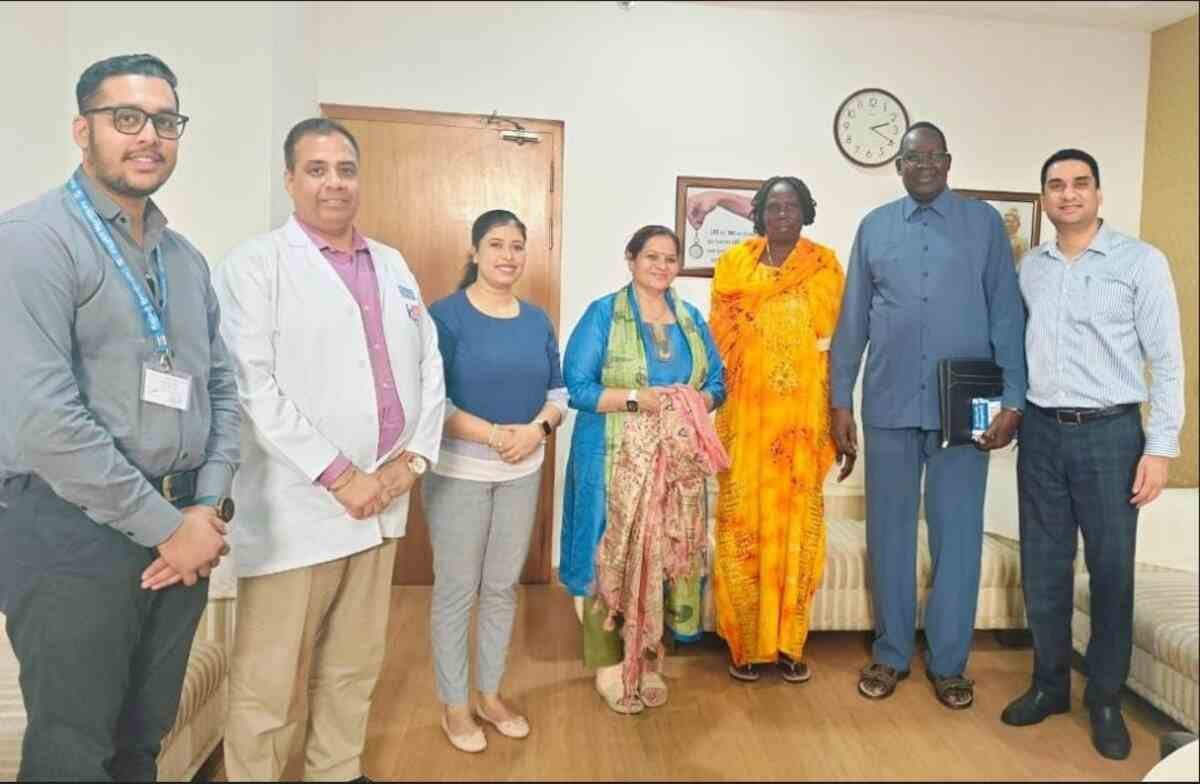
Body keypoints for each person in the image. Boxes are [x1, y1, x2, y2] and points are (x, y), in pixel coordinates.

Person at [0, 53, 238, 781]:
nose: (149, 136)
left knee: (141, 744)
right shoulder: (31, 241)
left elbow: (220, 389)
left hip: (180, 528)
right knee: (74, 752)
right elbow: (45, 421)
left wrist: (206, 505)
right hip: (71, 533)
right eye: (126, 118)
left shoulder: (183, 259)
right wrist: (171, 529)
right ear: (84, 130)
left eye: (165, 121)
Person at [214, 118, 445, 782]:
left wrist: (411, 462)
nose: (333, 183)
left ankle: (336, 771)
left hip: (383, 500)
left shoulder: (392, 264)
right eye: (316, 170)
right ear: (290, 180)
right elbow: (252, 386)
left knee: (354, 663)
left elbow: (430, 365)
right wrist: (342, 476)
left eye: (345, 169)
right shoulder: (256, 265)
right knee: (269, 678)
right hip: (300, 507)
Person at [829, 122, 1027, 710]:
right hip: (888, 403)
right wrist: (840, 400)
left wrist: (1014, 399)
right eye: (913, 157)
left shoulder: (983, 224)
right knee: (888, 535)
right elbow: (852, 322)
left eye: (934, 156)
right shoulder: (874, 227)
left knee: (957, 536)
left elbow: (1007, 315)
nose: (924, 165)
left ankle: (949, 663)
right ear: (898, 166)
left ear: (948, 162)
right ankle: (890, 654)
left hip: (964, 407)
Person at [1000, 149, 1185, 760]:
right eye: (1056, 184)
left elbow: (1168, 362)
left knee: (1110, 571)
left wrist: (1160, 449)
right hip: (1042, 433)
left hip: (1112, 435)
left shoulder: (1141, 262)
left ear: (1098, 194)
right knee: (1043, 568)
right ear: (1045, 198)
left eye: (1080, 183)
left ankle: (1105, 698)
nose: (1068, 193)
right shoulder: (1031, 268)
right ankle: (1049, 684)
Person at [561, 225, 726, 714]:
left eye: (670, 258)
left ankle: (650, 660)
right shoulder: (602, 315)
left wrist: (691, 402)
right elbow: (578, 388)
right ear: (630, 259)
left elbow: (718, 382)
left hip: (674, 465)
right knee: (609, 554)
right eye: (651, 256)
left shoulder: (690, 319)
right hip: (611, 458)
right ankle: (609, 666)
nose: (661, 266)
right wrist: (638, 399)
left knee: (665, 553)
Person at [423, 210, 566, 753]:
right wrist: (493, 436)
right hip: (460, 472)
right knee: (458, 589)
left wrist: (535, 431)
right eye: (496, 244)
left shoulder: (537, 321)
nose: (508, 256)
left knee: (502, 587)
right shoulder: (446, 317)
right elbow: (432, 400)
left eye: (517, 246)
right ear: (475, 252)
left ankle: (488, 694)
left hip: (522, 471)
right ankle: (454, 705)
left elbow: (557, 394)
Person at [708, 176, 850, 684]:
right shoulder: (734, 264)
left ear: (805, 211)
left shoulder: (825, 266)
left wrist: (841, 411)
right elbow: (718, 339)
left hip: (801, 421)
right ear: (760, 213)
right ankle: (744, 645)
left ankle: (790, 643)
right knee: (742, 525)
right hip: (747, 417)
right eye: (773, 205)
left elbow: (838, 344)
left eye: (791, 205)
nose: (782, 213)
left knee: (797, 528)